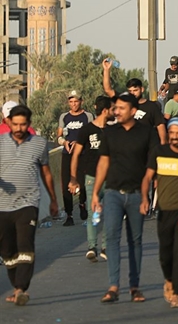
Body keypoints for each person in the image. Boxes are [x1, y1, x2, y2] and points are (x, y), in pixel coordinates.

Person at [91, 93, 159, 303]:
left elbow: (151, 165)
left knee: (135, 241)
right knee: (111, 238)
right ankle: (113, 286)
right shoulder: (110, 132)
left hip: (137, 195)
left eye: (121, 108)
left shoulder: (147, 132)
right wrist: (95, 192)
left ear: (132, 110)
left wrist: (146, 194)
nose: (116, 111)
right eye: (115, 108)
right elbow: (103, 162)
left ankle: (134, 286)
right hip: (113, 194)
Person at [0, 105, 59, 306]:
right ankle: (16, 286)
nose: (18, 128)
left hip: (28, 202)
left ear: (29, 124)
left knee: (25, 245)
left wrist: (53, 199)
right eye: (15, 124)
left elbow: (47, 173)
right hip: (2, 205)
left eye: (22, 124)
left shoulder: (39, 144)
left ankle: (20, 289)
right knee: (7, 252)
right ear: (8, 122)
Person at [141, 116, 178, 309]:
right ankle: (168, 279)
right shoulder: (159, 152)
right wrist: (145, 198)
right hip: (164, 211)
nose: (174, 136)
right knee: (165, 253)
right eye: (171, 132)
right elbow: (148, 177)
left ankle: (176, 292)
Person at [68, 96, 114, 262]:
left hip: (111, 179)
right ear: (105, 111)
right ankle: (91, 246)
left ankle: (105, 247)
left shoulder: (112, 131)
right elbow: (76, 154)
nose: (114, 112)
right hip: (91, 178)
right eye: (112, 109)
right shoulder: (86, 130)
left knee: (110, 213)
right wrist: (73, 178)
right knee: (93, 213)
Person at [57, 90, 94, 226]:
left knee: (83, 182)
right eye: (71, 102)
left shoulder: (88, 116)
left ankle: (82, 203)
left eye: (76, 101)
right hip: (68, 154)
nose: (73, 104)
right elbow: (59, 136)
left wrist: (81, 143)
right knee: (67, 184)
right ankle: (69, 214)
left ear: (81, 102)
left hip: (83, 154)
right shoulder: (64, 117)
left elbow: (93, 133)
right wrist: (64, 142)